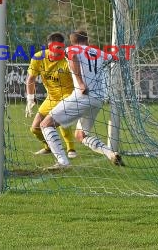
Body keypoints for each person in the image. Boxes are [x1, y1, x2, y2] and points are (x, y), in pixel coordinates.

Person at [40, 30, 124, 169]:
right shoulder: (99, 52)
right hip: (97, 99)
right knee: (81, 135)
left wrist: (80, 83)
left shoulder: (71, 49)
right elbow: (115, 58)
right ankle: (110, 153)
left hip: (82, 95)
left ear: (72, 41)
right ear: (87, 40)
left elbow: (73, 58)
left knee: (46, 124)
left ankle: (63, 162)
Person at [26, 32, 77, 158]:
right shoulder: (38, 57)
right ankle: (48, 147)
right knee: (35, 129)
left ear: (62, 46)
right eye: (52, 49)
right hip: (51, 98)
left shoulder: (68, 60)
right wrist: (30, 99)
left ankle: (71, 149)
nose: (55, 52)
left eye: (59, 48)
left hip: (68, 96)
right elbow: (30, 79)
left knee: (59, 119)